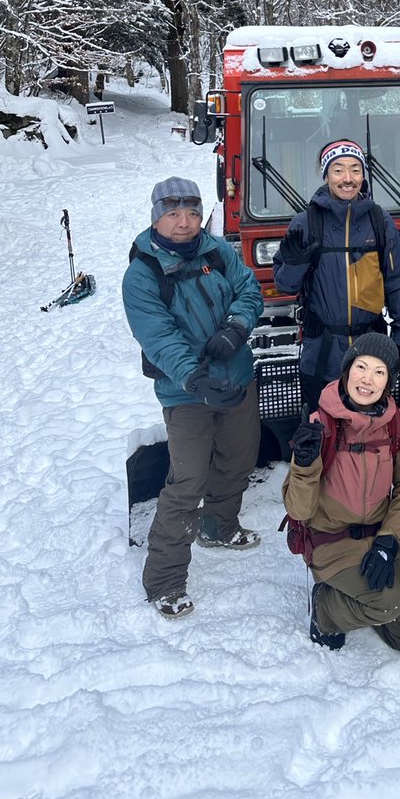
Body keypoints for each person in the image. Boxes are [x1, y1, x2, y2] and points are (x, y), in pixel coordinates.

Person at [122, 177, 264, 620]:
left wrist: (236, 328)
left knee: (238, 459)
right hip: (186, 394)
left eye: (192, 213)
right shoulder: (142, 273)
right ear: (156, 217)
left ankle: (219, 525)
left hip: (237, 376)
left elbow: (249, 290)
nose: (184, 223)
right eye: (173, 213)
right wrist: (194, 377)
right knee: (187, 481)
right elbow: (157, 336)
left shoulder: (217, 251)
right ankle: (164, 579)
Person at [282, 333, 400, 652]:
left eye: (380, 372)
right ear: (347, 371)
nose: (368, 379)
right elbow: (299, 510)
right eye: (361, 367)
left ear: (388, 380)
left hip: (377, 539)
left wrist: (389, 540)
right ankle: (325, 610)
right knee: (387, 604)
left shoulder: (396, 424)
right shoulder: (319, 423)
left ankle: (361, 598)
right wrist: (304, 466)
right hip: (331, 541)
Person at [273, 139, 400, 413]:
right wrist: (295, 262)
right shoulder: (306, 222)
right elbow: (285, 285)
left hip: (369, 350)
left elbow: (396, 281)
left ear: (364, 174)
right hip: (321, 352)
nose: (347, 178)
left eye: (355, 169)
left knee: (370, 432)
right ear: (326, 175)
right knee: (322, 432)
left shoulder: (379, 220)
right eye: (338, 170)